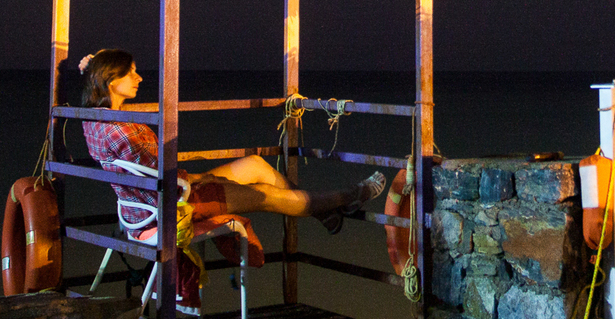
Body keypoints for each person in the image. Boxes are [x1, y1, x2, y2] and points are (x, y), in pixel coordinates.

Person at [78, 48, 385, 235]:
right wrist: (202, 177)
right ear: (111, 79)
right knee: (265, 194)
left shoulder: (94, 120)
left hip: (147, 202)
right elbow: (164, 180)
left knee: (255, 164)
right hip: (174, 203)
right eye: (131, 73)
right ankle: (347, 196)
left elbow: (150, 173)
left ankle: (324, 212)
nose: (139, 78)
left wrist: (92, 63)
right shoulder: (123, 130)